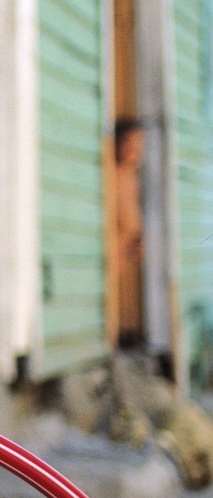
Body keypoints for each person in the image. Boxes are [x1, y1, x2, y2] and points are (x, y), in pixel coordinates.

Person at [114, 116, 145, 348]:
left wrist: (137, 237)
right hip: (114, 244)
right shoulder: (111, 174)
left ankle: (124, 331)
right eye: (128, 143)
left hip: (127, 245)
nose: (133, 150)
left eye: (138, 145)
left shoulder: (131, 177)